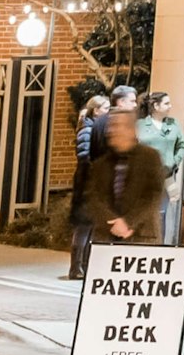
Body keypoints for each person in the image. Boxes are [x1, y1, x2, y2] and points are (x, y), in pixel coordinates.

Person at [71, 102, 173, 279]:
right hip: (107, 239)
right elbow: (94, 198)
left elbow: (153, 196)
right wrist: (113, 221)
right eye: (110, 126)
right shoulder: (101, 163)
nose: (111, 131)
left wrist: (128, 223)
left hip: (142, 239)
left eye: (117, 126)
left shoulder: (150, 158)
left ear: (131, 130)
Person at [139, 92, 184, 245]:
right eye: (166, 103)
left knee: (166, 211)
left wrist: (175, 161)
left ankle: (163, 245)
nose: (170, 106)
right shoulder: (140, 125)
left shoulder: (173, 124)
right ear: (155, 106)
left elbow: (182, 145)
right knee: (147, 211)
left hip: (167, 175)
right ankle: (144, 244)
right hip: (146, 176)